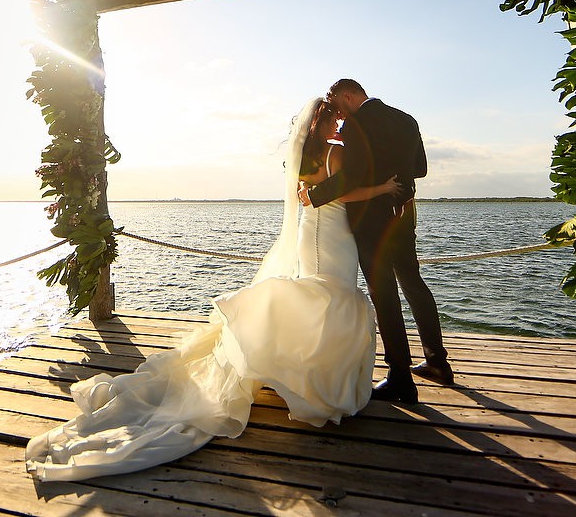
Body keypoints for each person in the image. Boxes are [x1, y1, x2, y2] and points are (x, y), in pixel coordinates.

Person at [24, 97, 398, 482]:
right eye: (334, 117)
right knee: (331, 297)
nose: (340, 122)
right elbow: (343, 192)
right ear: (321, 122)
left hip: (313, 232)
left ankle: (308, 374)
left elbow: (318, 194)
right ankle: (318, 382)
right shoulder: (335, 153)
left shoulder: (305, 154)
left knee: (325, 297)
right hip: (333, 234)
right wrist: (384, 187)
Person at [301, 79, 452, 404]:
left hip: (372, 220)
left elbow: (350, 177)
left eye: (339, 107)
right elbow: (421, 169)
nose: (339, 116)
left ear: (348, 95)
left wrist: (314, 196)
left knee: (384, 294)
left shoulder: (357, 126)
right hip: (404, 213)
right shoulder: (407, 119)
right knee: (413, 282)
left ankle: (400, 376)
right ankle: (437, 362)